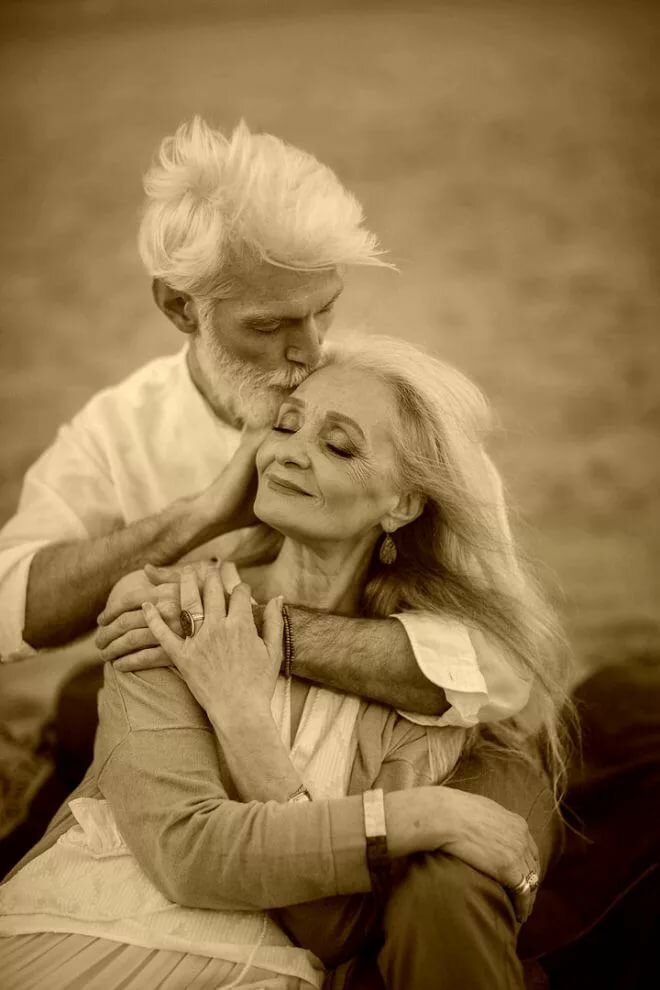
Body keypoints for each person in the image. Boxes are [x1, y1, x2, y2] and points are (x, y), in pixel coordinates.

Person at [0, 118, 562, 984]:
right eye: (269, 325)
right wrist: (192, 525)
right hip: (190, 733)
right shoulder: (120, 432)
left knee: (445, 892)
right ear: (180, 306)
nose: (308, 351)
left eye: (323, 309)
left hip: (434, 729)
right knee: (92, 708)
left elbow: (499, 671)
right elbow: (12, 606)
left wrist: (242, 635)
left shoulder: (396, 424)